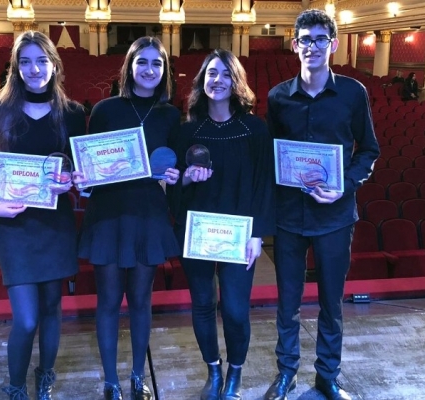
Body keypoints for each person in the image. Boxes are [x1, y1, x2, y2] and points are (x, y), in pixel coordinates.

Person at [264, 9, 379, 400]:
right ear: (294, 45)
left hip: (335, 216)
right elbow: (272, 155)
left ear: (333, 44)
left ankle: (327, 375)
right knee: (288, 303)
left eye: (319, 39)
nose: (311, 46)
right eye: (304, 40)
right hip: (289, 216)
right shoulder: (278, 97)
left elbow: (369, 150)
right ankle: (286, 373)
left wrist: (343, 186)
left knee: (332, 302)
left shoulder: (352, 93)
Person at [0, 30, 87, 400]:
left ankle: (45, 376)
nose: (34, 69)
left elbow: (76, 168)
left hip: (55, 224)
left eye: (41, 61)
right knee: (25, 319)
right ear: (15, 66)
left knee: (52, 309)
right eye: (25, 62)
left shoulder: (72, 113)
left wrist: (70, 180)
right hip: (13, 225)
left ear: (54, 64)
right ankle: (16, 386)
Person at [77, 36, 181, 400]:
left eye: (157, 63)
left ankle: (138, 376)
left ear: (164, 70)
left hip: (148, 215)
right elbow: (89, 165)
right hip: (108, 214)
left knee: (140, 300)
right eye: (143, 62)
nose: (150, 70)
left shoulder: (171, 114)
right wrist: (85, 176)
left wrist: (175, 175)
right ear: (129, 67)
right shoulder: (105, 109)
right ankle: (111, 381)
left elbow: (174, 164)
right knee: (108, 301)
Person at [174, 49, 275, 400]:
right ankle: (213, 370)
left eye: (225, 74)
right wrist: (188, 177)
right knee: (203, 304)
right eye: (211, 74)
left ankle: (235, 372)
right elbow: (175, 186)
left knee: (234, 309)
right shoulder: (188, 131)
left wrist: (258, 235)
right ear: (201, 81)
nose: (217, 80)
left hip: (239, 235)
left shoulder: (254, 129)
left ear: (236, 82)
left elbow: (264, 184)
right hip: (197, 233)